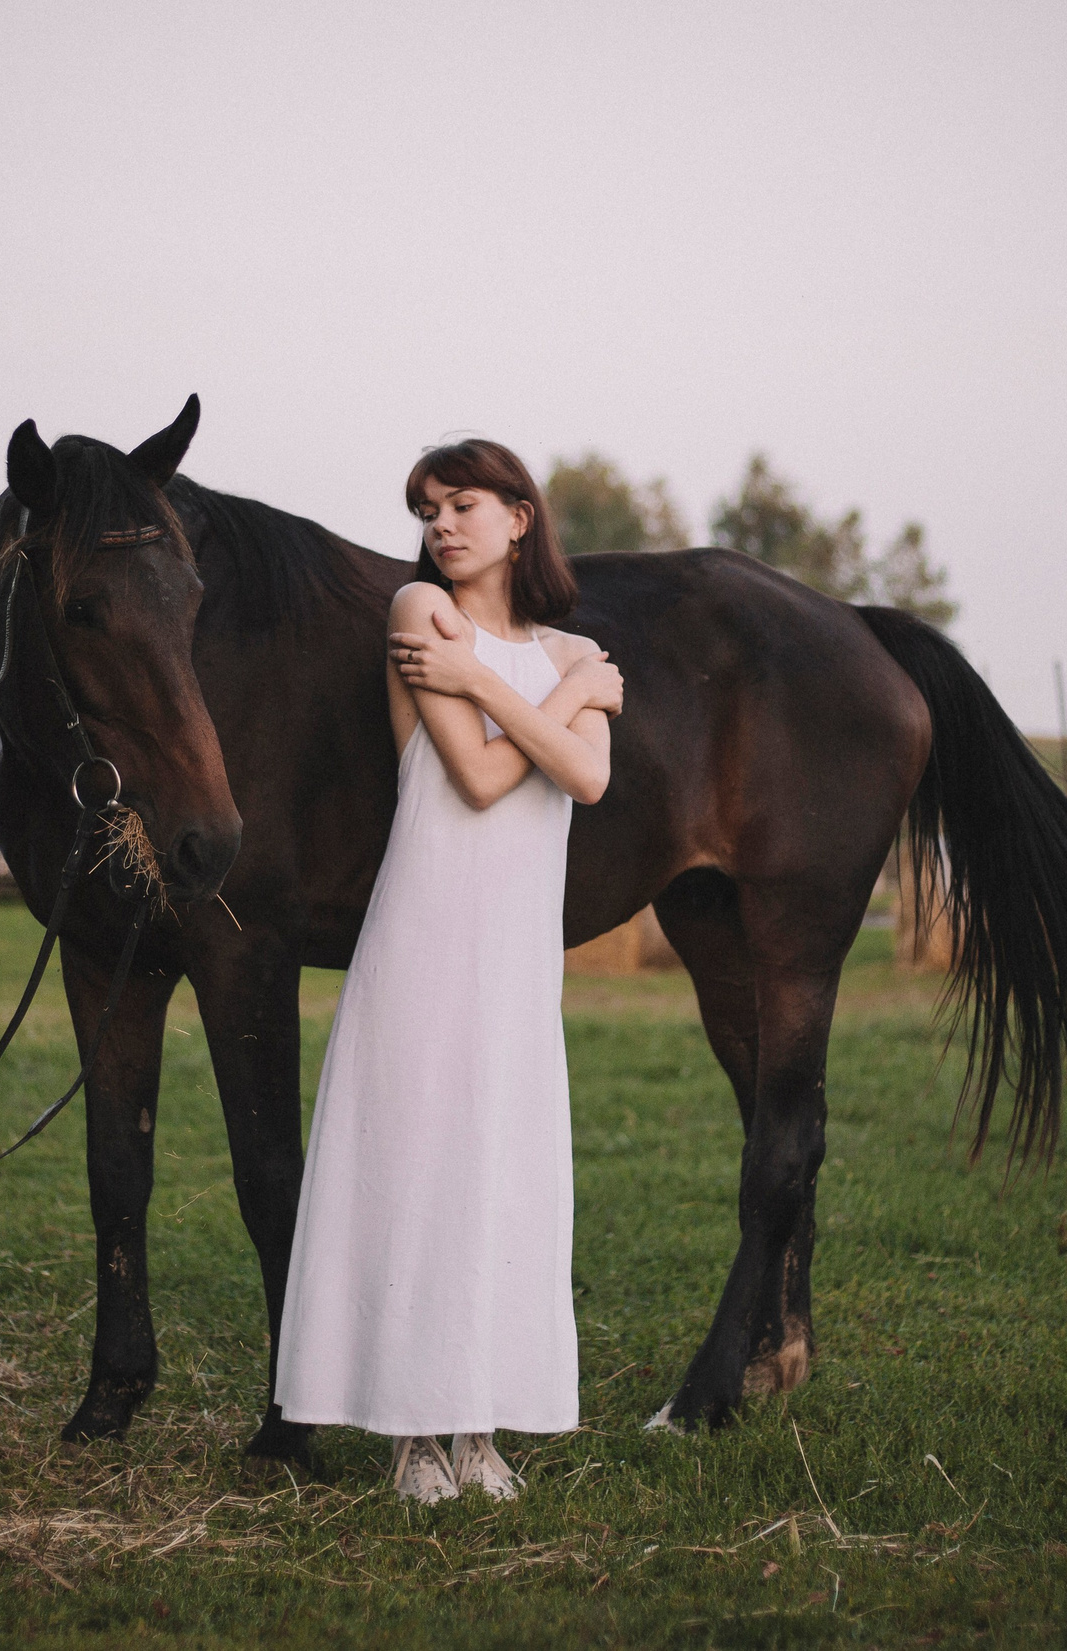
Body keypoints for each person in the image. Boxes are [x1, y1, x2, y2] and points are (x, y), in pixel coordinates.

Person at [274, 438, 624, 1503]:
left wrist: (526, 690)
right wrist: (524, 687)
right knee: (416, 1168)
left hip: (516, 953)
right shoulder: (420, 618)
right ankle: (409, 1439)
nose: (439, 525)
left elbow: (590, 780)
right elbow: (476, 778)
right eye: (427, 508)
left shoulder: (573, 646)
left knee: (498, 1175)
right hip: (426, 929)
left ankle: (477, 1431)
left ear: (520, 517)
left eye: (462, 504)